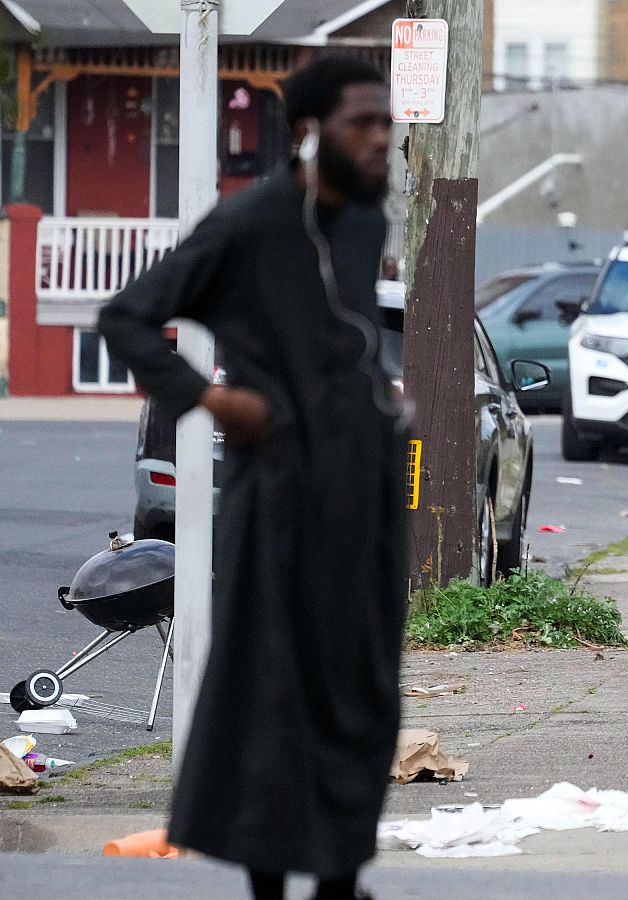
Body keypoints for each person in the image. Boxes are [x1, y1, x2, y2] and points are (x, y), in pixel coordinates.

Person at [97, 57, 404, 900]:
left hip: (363, 489)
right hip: (283, 494)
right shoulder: (255, 222)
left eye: (387, 123)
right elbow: (126, 317)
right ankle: (270, 885)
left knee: (363, 688)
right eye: (362, 123)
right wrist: (210, 398)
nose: (381, 139)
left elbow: (341, 338)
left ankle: (341, 878)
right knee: (275, 689)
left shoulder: (365, 220)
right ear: (310, 131)